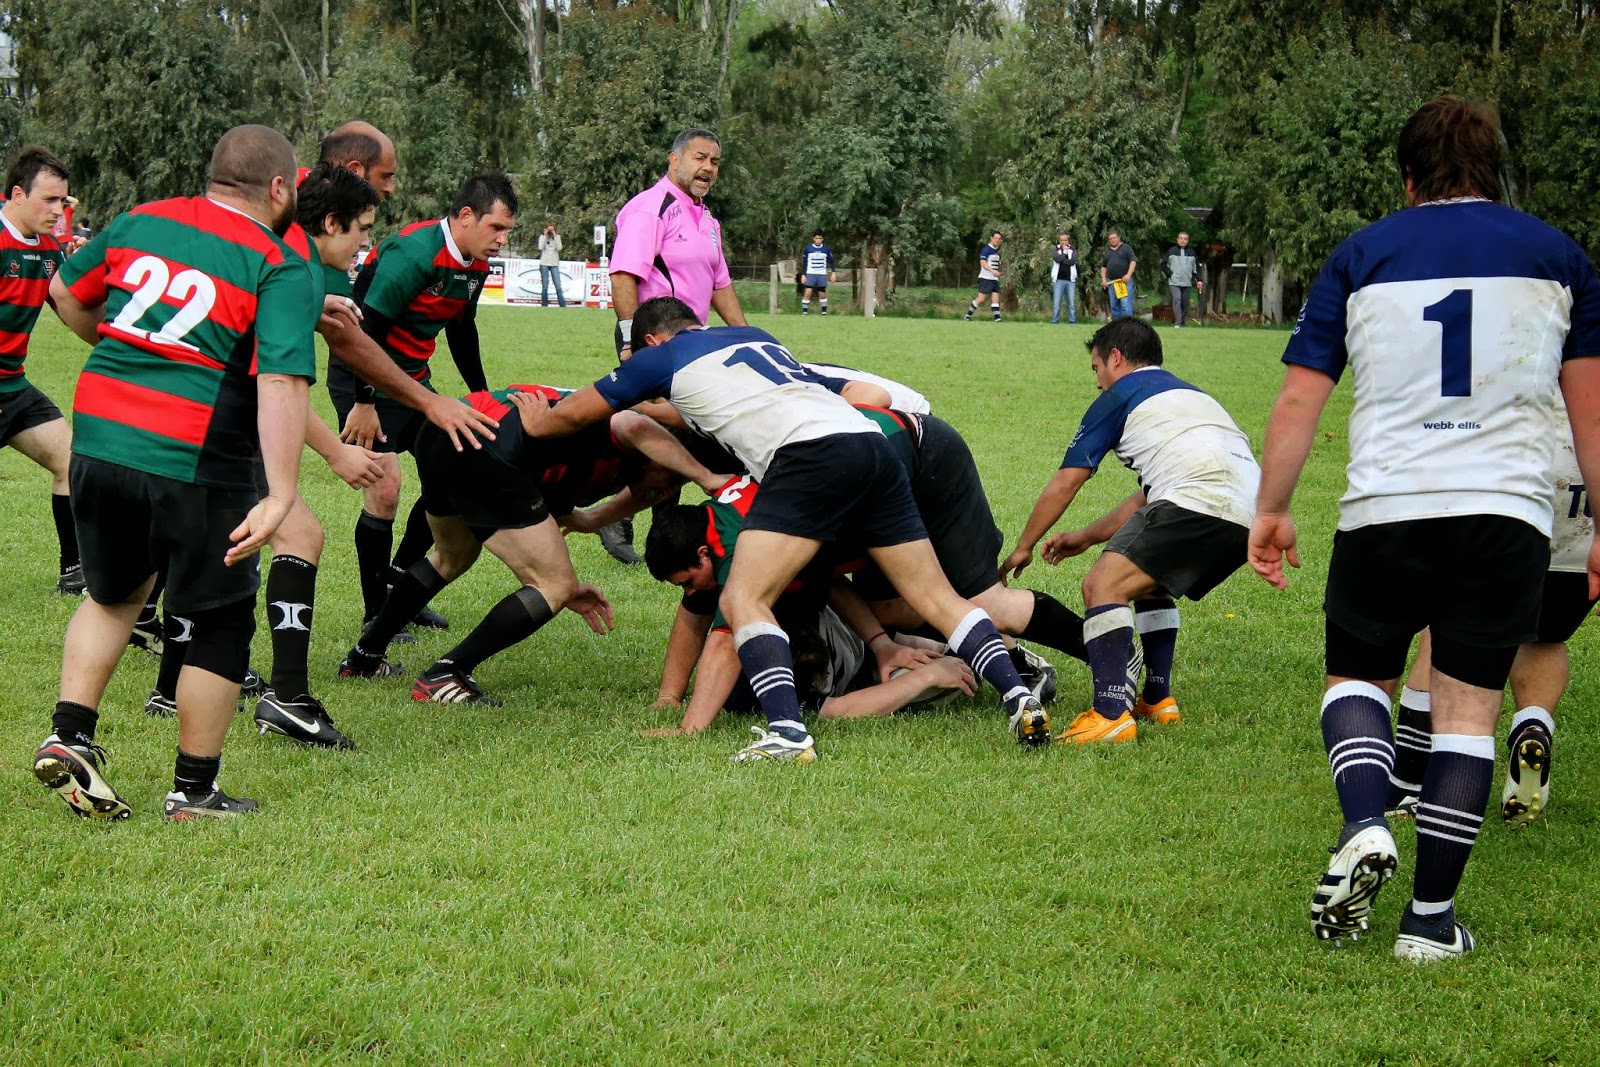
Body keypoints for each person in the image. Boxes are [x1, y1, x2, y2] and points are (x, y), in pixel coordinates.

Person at [1246, 96, 1600, 963]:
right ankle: (1430, 923)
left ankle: (1366, 819)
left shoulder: (1363, 253)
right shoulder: (1562, 257)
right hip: (1508, 512)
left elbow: (1300, 396)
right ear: (1496, 173)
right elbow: (1590, 411)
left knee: (1357, 679)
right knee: (1469, 715)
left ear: (1408, 181)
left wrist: (1272, 507)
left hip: (1387, 505)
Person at [525, 296, 1050, 762]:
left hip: (808, 457)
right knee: (937, 597)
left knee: (743, 598)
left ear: (653, 341)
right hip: (870, 444)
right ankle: (1017, 697)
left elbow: (577, 414)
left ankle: (787, 732)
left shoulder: (660, 357)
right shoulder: (756, 337)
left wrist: (536, 423)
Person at [32, 125, 318, 821]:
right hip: (196, 456)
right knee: (220, 619)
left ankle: (69, 735)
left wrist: (131, 352)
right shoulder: (277, 261)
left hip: (98, 438)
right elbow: (281, 380)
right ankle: (194, 791)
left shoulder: (141, 218)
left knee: (111, 595)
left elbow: (66, 292)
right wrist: (282, 491)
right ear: (278, 189)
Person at [339, 386, 724, 704]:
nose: (665, 490)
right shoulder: (626, 426)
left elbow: (633, 495)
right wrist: (707, 477)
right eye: (672, 475)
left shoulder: (615, 468)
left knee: (450, 557)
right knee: (552, 585)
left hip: (448, 432)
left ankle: (364, 657)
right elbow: (630, 421)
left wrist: (590, 522)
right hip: (481, 444)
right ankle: (445, 675)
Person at [1003, 318, 1258, 745]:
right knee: (1150, 582)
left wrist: (1023, 547)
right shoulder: (1192, 395)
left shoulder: (1121, 394)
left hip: (1196, 498)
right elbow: (1144, 500)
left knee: (1103, 585)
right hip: (1249, 511)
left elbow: (1068, 479)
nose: (1098, 382)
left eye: (1096, 369)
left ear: (1115, 358)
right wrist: (1084, 537)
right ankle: (1157, 699)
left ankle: (1110, 715)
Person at [1385, 399, 1597, 828]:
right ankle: (1533, 724)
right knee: (1546, 636)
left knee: (1443, 626)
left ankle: (1409, 779)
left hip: (1529, 468)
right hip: (1587, 497)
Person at [333, 173, 517, 644]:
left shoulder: (475, 261)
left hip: (414, 381)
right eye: (496, 228)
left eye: (508, 231)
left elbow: (461, 329)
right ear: (466, 216)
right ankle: (377, 615)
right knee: (385, 489)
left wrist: (481, 396)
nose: (502, 240)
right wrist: (364, 402)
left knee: (456, 466)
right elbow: (364, 331)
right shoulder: (416, 252)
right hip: (364, 378)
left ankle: (403, 581)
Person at [603, 127, 748, 565]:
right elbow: (623, 275)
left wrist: (748, 338)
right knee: (666, 427)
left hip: (694, 344)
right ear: (674, 160)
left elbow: (720, 283)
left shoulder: (707, 220)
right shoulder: (650, 209)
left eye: (715, 162)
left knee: (683, 431)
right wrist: (632, 342)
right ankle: (622, 511)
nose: (707, 168)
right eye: (700, 158)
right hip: (651, 340)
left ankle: (660, 528)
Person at [0, 147, 82, 594]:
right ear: (17, 194)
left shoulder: (50, 250)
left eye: (63, 202)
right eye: (49, 200)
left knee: (71, 460)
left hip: (12, 387)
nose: (58, 211)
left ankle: (74, 572)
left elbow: (75, 308)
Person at [1164, 232, 1202, 328]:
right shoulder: (1171, 251)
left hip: (1187, 282)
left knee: (1185, 303)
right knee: (1177, 299)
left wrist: (1199, 280)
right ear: (1177, 240)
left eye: (1185, 239)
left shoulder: (1192, 253)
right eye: (1181, 238)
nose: (1183, 240)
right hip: (1174, 282)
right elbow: (1163, 265)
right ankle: (1178, 322)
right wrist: (1171, 274)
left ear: (1187, 241)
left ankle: (1182, 322)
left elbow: (1196, 267)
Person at [964, 231, 1003, 322]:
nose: (997, 240)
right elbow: (983, 263)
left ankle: (997, 319)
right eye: (996, 238)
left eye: (999, 239)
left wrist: (997, 272)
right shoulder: (986, 249)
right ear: (991, 238)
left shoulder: (997, 250)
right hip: (986, 278)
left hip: (994, 279)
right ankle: (968, 315)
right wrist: (993, 271)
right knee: (981, 299)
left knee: (995, 298)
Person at [1100, 230, 1136, 321]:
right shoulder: (1107, 252)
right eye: (1110, 239)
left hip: (1124, 281)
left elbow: (1133, 261)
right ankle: (1116, 325)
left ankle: (1127, 324)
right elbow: (1103, 267)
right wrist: (1104, 280)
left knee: (1125, 304)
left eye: (1114, 238)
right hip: (1112, 282)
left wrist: (1128, 275)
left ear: (1119, 237)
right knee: (1114, 305)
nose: (1113, 240)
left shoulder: (1126, 248)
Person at [800, 231, 834, 316]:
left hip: (822, 274)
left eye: (820, 238)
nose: (818, 240)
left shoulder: (826, 249)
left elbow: (832, 261)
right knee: (808, 292)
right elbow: (804, 263)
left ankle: (824, 313)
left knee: (822, 293)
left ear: (822, 239)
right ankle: (805, 312)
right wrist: (803, 275)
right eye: (816, 238)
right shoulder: (808, 249)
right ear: (813, 239)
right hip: (811, 274)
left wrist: (833, 273)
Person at [1051, 232, 1078, 325]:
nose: (1063, 242)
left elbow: (1073, 261)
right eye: (1062, 240)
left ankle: (1072, 321)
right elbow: (1057, 259)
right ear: (1059, 240)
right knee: (1056, 303)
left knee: (1071, 303)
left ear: (1068, 240)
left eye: (1065, 240)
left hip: (1070, 280)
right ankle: (1055, 321)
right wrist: (1064, 253)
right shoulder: (1056, 250)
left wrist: (1063, 259)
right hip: (1058, 280)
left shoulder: (1073, 250)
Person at [537, 221, 564, 308]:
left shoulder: (557, 237)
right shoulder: (542, 237)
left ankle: (562, 304)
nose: (550, 232)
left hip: (554, 263)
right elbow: (540, 247)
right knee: (545, 286)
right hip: (544, 263)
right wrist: (545, 236)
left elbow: (559, 248)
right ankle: (544, 305)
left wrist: (555, 235)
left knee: (558, 285)